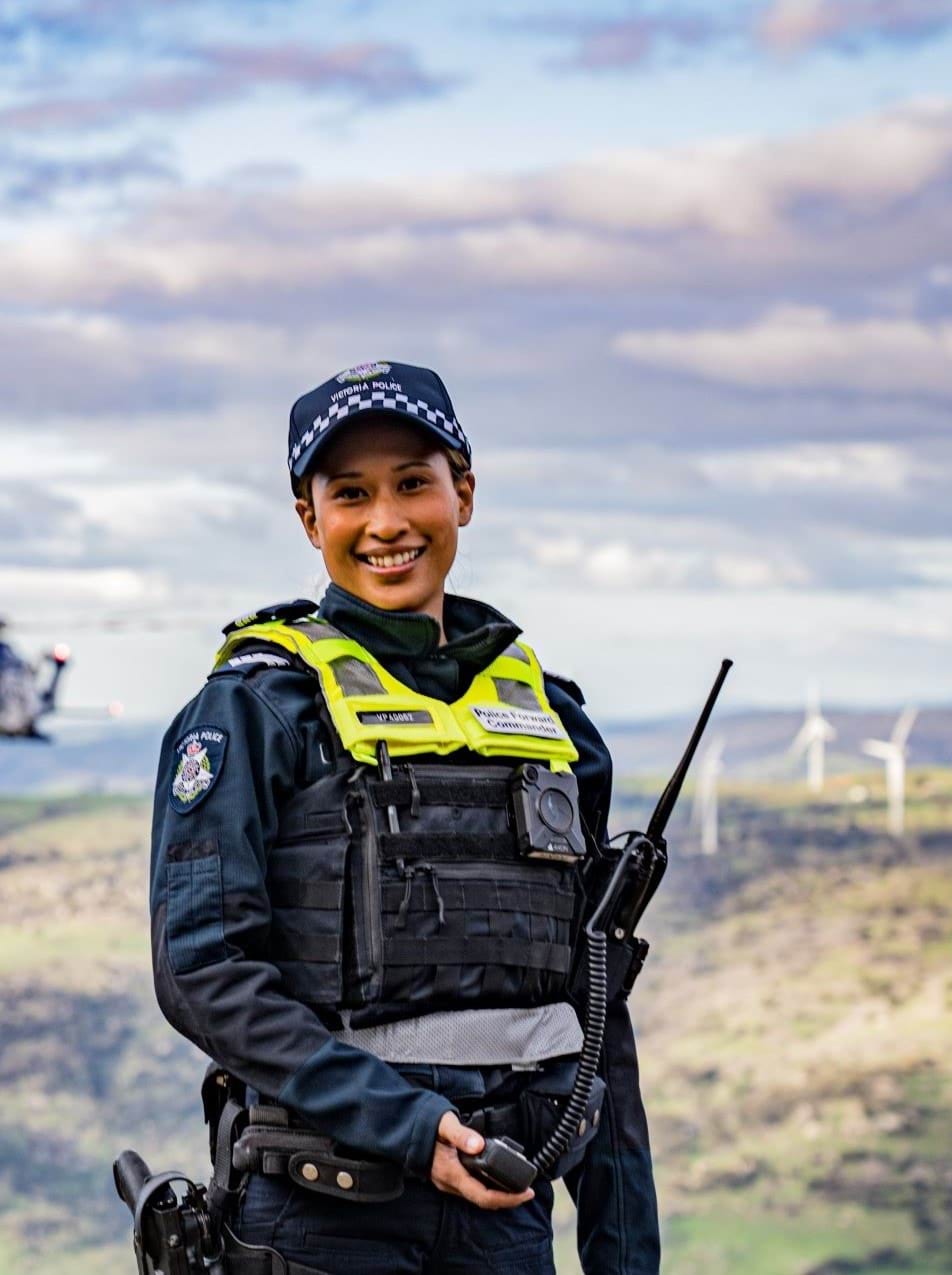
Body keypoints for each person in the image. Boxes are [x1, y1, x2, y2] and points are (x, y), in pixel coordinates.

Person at [147, 361, 658, 1274]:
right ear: (310, 518)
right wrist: (412, 1128)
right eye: (351, 493)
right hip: (322, 1216)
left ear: (463, 492)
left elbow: (595, 1009)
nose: (387, 522)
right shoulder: (257, 710)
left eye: (413, 483)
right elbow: (203, 969)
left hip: (507, 1216)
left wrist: (626, 1254)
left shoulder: (554, 724)